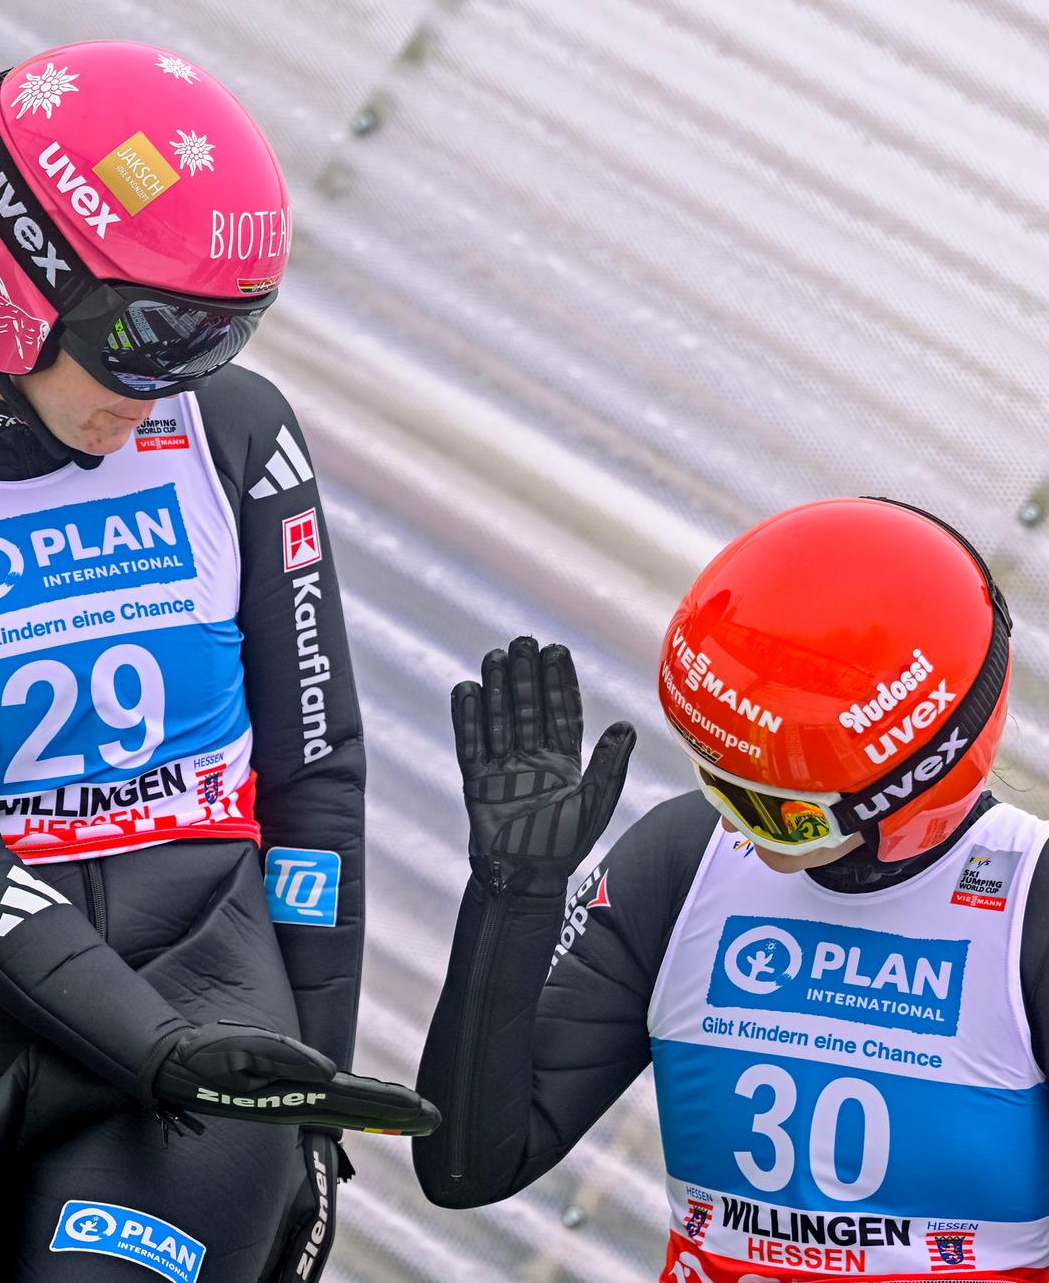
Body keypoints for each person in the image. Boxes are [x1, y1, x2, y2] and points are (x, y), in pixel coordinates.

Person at [0, 40, 435, 1283]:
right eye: (140, 348)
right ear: (11, 279)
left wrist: (307, 1107)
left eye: (211, 348)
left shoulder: (236, 436)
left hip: (204, 1015)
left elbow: (318, 783)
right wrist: (151, 1044)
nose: (157, 401)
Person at [414, 496, 1049, 1283]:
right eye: (717, 783)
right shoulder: (684, 859)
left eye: (778, 813)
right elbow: (465, 1169)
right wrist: (514, 897)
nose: (740, 831)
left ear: (919, 781)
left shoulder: (1030, 908)